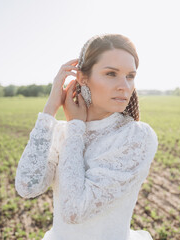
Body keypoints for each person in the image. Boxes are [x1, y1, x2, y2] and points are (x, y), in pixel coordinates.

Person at [15, 33, 158, 240]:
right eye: (111, 74)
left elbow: (75, 210)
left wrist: (75, 126)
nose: (124, 86)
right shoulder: (61, 132)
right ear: (83, 78)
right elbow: (27, 187)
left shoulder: (136, 137)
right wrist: (49, 111)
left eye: (130, 76)